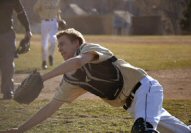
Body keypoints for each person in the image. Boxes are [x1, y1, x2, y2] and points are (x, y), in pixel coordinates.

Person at [1, 28, 191, 133]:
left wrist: (42, 78)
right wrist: (21, 129)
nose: (59, 48)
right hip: (134, 106)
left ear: (77, 43)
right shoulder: (71, 81)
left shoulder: (89, 49)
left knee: (143, 129)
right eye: (58, 46)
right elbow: (50, 108)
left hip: (145, 89)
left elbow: (78, 62)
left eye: (63, 44)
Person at [0, 0, 32, 100]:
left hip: (7, 33)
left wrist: (27, 29)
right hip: (7, 34)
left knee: (8, 62)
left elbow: (20, 12)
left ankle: (7, 90)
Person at [33, 0, 61, 69]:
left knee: (53, 40)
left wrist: (60, 20)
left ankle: (51, 55)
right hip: (44, 22)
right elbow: (35, 9)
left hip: (54, 22)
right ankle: (44, 61)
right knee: (44, 43)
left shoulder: (57, 1)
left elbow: (58, 12)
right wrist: (41, 14)